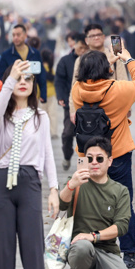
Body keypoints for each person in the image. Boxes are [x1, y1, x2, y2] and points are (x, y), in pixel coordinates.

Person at [0, 60, 59, 269]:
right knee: (3, 250)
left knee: (32, 246)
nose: (23, 82)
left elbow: (48, 155)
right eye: (18, 78)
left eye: (28, 78)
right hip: (0, 182)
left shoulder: (40, 117)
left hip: (29, 181)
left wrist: (53, 189)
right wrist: (10, 77)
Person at [71, 46, 135, 269]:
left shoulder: (78, 90)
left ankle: (87, 246)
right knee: (124, 202)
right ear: (106, 70)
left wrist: (107, 65)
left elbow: (95, 85)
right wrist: (128, 58)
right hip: (117, 153)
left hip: (86, 154)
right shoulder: (118, 90)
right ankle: (129, 253)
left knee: (85, 202)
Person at [59, 137, 135, 269]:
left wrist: (94, 235)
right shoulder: (77, 183)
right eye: (89, 158)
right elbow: (61, 205)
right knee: (82, 246)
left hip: (107, 249)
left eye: (99, 158)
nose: (94, 162)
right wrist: (71, 185)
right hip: (79, 247)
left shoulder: (120, 190)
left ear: (109, 161)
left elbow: (121, 227)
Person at [55, 32, 85, 170]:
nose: (83, 50)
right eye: (81, 46)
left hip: (89, 104)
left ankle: (83, 166)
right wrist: (60, 96)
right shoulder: (65, 61)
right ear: (74, 44)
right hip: (70, 103)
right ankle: (67, 156)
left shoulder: (92, 59)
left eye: (86, 47)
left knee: (85, 137)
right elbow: (59, 80)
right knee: (67, 134)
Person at [0, 24, 48, 104]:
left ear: (25, 36)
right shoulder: (6, 55)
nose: (15, 37)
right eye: (13, 35)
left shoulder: (34, 53)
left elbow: (41, 75)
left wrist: (43, 94)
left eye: (18, 35)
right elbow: (1, 76)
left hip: (33, 94)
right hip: (14, 96)